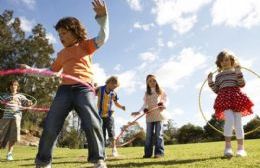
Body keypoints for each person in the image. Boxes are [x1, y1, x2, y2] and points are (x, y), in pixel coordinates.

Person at [20, 0, 109, 167]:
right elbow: (50, 71)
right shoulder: (61, 53)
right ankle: (43, 162)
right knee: (51, 124)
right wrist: (30, 69)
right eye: (59, 35)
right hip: (65, 89)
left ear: (75, 31)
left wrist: (103, 18)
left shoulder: (85, 45)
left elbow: (103, 37)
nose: (61, 37)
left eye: (64, 33)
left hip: (84, 88)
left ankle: (98, 160)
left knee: (92, 121)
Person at [208, 50, 253, 157]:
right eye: (222, 61)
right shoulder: (218, 76)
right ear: (219, 63)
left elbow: (242, 84)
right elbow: (216, 90)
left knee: (238, 123)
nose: (224, 62)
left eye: (227, 60)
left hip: (236, 98)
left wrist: (238, 73)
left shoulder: (235, 72)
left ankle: (241, 149)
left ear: (232, 60)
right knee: (230, 120)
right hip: (224, 99)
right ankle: (228, 148)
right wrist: (210, 81)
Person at [131, 74, 167, 158]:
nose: (152, 82)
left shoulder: (160, 91)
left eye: (154, 80)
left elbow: (165, 100)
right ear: (147, 83)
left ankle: (159, 153)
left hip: (159, 114)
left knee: (159, 135)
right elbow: (145, 104)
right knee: (149, 136)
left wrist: (163, 104)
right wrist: (139, 111)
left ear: (157, 81)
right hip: (149, 115)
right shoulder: (147, 93)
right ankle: (147, 153)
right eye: (150, 81)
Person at [0, 80, 32, 161]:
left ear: (17, 87)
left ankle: (9, 154)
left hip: (16, 117)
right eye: (11, 85)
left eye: (15, 85)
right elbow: (1, 101)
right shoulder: (5, 95)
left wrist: (29, 103)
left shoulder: (21, 96)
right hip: (6, 118)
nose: (13, 86)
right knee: (1, 135)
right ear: (9, 87)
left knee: (13, 136)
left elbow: (27, 103)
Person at [96, 76, 126, 157]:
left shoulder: (114, 93)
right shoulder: (100, 89)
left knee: (111, 132)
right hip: (100, 115)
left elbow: (116, 103)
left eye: (116, 87)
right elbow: (91, 92)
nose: (114, 88)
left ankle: (114, 149)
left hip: (110, 115)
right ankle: (102, 151)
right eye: (114, 86)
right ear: (109, 82)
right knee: (101, 133)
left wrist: (121, 107)